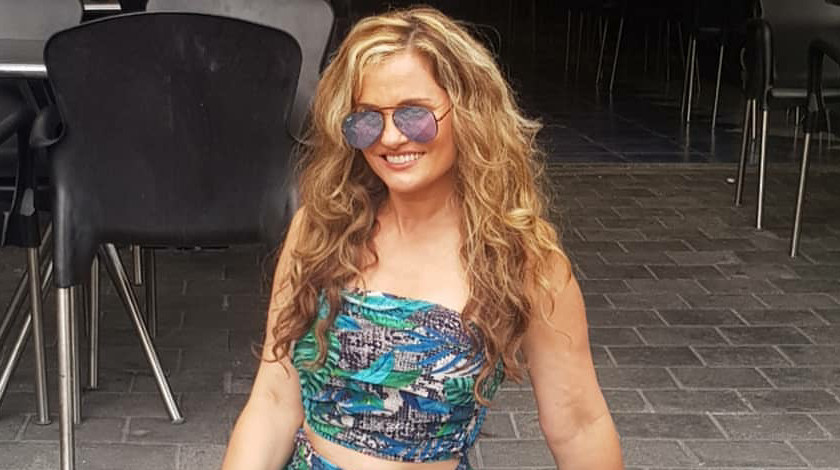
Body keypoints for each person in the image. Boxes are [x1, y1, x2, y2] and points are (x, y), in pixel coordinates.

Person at [222, 6, 623, 470]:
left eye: (414, 115)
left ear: (467, 113)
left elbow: (578, 424)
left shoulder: (519, 257)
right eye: (367, 120)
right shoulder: (321, 227)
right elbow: (273, 401)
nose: (391, 138)